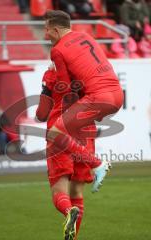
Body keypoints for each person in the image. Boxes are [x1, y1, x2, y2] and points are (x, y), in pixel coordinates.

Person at [42, 9, 123, 240]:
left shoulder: (57, 50)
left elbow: (67, 88)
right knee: (77, 190)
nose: (46, 34)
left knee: (55, 131)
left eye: (47, 29)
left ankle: (98, 164)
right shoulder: (88, 37)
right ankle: (73, 236)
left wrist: (51, 78)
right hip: (115, 95)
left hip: (96, 97)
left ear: (56, 29)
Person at [36, 65, 100, 240]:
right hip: (85, 132)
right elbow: (100, 110)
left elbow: (42, 114)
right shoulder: (88, 71)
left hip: (60, 131)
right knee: (77, 193)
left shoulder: (51, 74)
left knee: (59, 192)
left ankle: (68, 211)